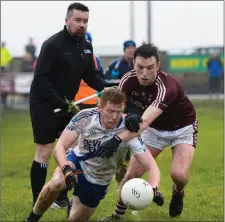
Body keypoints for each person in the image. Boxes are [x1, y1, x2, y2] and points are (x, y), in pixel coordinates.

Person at [25, 88, 164, 222]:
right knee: (56, 184)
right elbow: (60, 147)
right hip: (77, 161)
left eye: (119, 111)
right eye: (110, 111)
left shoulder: (129, 131)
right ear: (100, 108)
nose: (114, 117)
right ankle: (31, 219)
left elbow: (151, 166)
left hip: (99, 178)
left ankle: (73, 204)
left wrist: (154, 189)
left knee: (75, 219)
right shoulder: (85, 117)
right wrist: (66, 169)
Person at [99, 42, 198, 219]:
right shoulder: (127, 80)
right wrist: (130, 112)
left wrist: (116, 140)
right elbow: (121, 108)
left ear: (158, 66)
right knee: (132, 174)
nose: (144, 73)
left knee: (178, 174)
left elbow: (143, 123)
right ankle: (117, 216)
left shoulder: (167, 86)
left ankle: (178, 192)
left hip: (182, 128)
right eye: (140, 67)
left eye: (150, 68)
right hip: (155, 130)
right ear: (133, 64)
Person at [29, 2, 105, 208]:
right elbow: (41, 79)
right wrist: (60, 102)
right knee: (45, 150)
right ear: (67, 20)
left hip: (67, 105)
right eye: (78, 20)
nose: (82, 25)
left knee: (70, 148)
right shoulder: (52, 44)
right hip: (44, 104)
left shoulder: (86, 46)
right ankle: (39, 200)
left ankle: (61, 198)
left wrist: (107, 87)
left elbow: (90, 76)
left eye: (85, 21)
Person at [74, 32, 104, 110]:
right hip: (76, 101)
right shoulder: (70, 57)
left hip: (92, 100)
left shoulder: (96, 59)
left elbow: (101, 78)